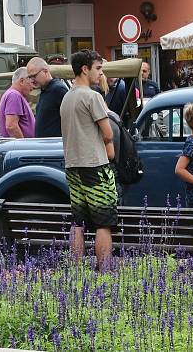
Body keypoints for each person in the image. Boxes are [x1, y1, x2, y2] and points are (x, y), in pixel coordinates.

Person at [60, 50, 116, 270]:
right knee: (104, 222)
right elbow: (108, 133)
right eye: (98, 68)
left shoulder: (67, 97)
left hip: (72, 165)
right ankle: (104, 270)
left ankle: (76, 270)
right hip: (94, 164)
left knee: (78, 223)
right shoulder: (92, 96)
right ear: (85, 69)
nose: (100, 73)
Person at [27, 57, 68, 137]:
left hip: (54, 146)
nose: (32, 80)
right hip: (45, 146)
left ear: (45, 71)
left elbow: (70, 119)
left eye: (34, 76)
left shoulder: (58, 89)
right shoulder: (45, 89)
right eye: (30, 77)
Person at [0, 67, 35, 138]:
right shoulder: (14, 95)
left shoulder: (13, 94)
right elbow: (11, 126)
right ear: (21, 81)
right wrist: (22, 145)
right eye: (31, 82)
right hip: (18, 147)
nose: (33, 87)